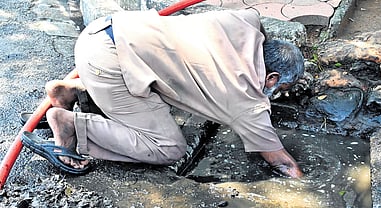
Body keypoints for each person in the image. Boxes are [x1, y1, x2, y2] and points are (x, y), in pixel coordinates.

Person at [21, 8, 305, 178]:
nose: (276, 94)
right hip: (108, 66)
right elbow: (279, 160)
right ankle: (71, 125)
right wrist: (303, 184)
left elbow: (256, 19)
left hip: (101, 32)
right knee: (169, 148)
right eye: (280, 88)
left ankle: (73, 92)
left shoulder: (246, 21)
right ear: (272, 77)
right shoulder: (247, 100)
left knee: (157, 86)